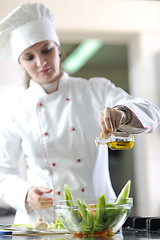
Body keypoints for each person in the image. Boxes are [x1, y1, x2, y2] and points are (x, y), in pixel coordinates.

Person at [0, 3, 159, 224]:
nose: (41, 62)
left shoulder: (96, 89)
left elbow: (152, 113)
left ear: (58, 49)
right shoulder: (14, 107)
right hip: (41, 222)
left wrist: (122, 114)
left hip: (98, 219)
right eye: (29, 57)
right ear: (21, 63)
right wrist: (24, 194)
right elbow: (4, 174)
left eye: (46, 49)